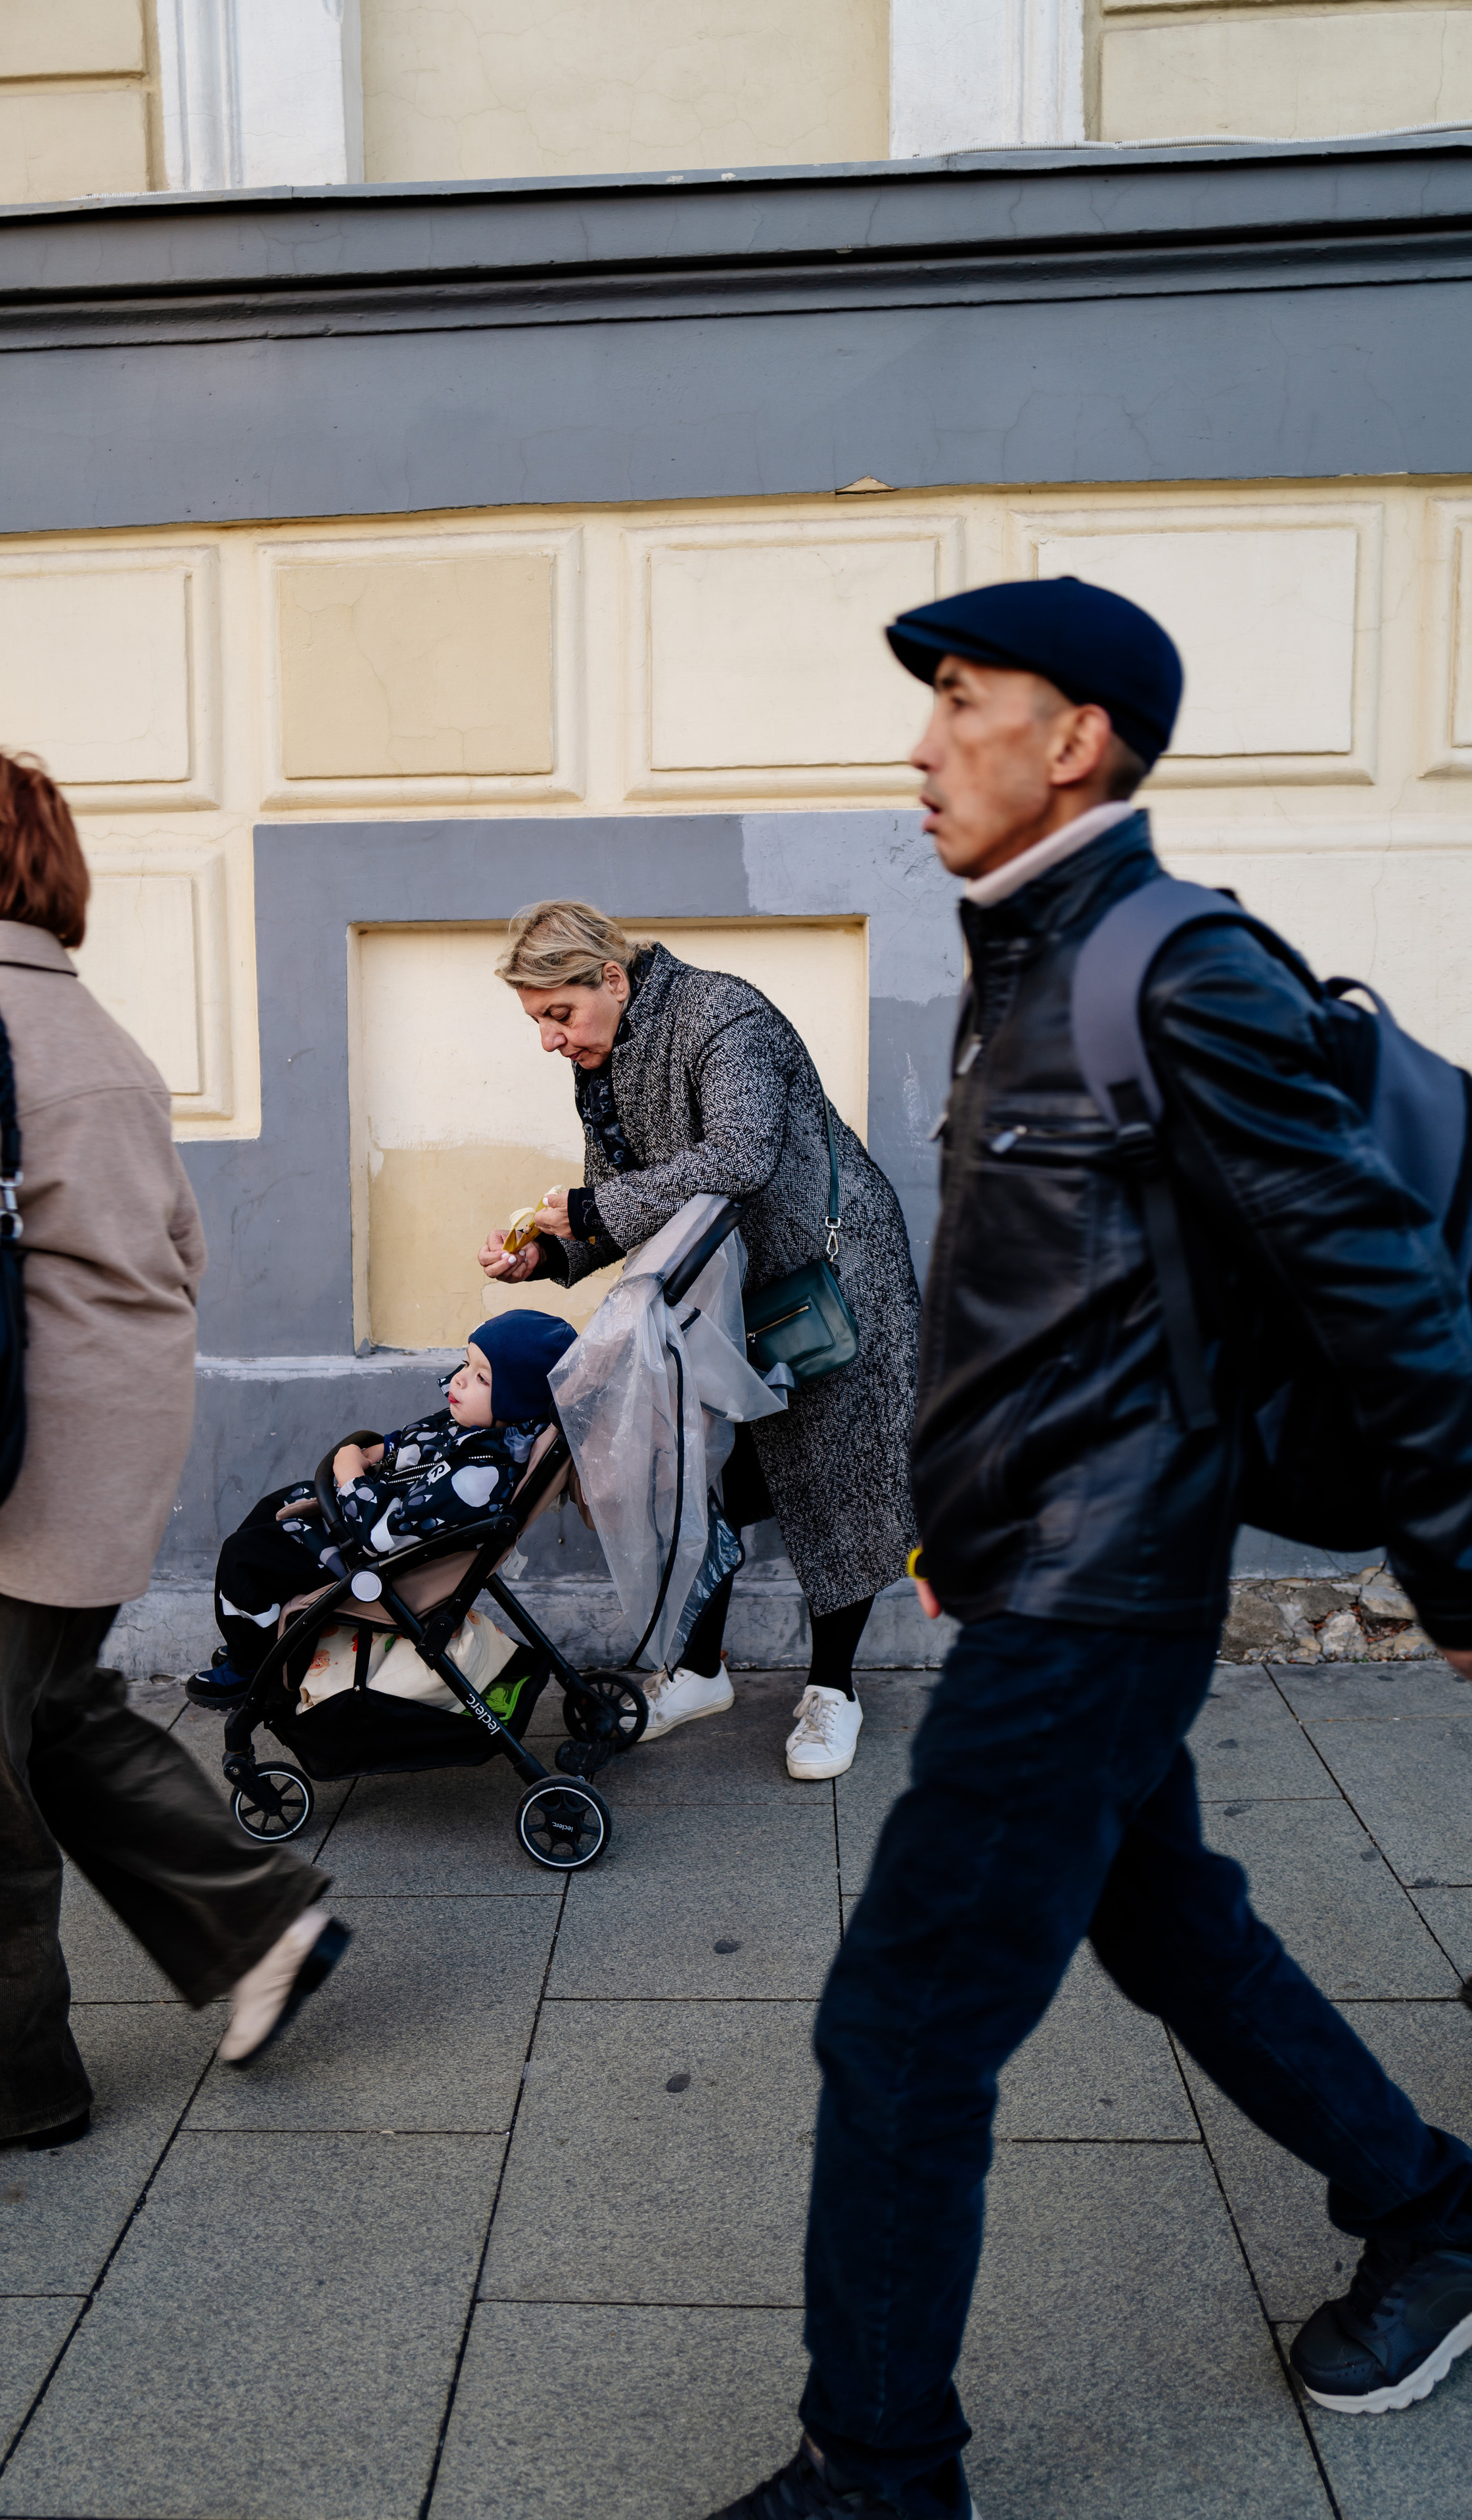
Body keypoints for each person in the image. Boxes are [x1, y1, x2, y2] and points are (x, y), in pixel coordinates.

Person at [710, 579, 1472, 2520]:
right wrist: (956, 1516)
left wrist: (1459, 1571)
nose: (919, 738)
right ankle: (1432, 2214)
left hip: (1102, 1596)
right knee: (1172, 1925)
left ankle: (876, 2477)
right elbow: (1052, 1303)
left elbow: (1385, 1290)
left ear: (1075, 741)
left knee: (897, 2023)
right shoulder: (1027, 955)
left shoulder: (1174, 965)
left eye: (960, 697)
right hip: (1047, 1565)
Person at [0, 750, 347, 2168]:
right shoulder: (95, 1029)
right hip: (107, 1437)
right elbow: (181, 1247)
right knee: (54, 1716)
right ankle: (258, 1921)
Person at [479, 904, 920, 1782]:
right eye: (536, 1021)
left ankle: (834, 1690)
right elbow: (626, 1197)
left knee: (840, 1479)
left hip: (832, 1281)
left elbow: (740, 1156)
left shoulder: (723, 1013)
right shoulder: (601, 1062)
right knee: (697, 1469)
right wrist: (551, 1254)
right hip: (725, 1294)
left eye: (557, 1014)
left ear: (611, 977)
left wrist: (597, 1209)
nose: (549, 1041)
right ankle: (700, 1671)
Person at [187, 1310, 575, 1706]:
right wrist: (378, 1452)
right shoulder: (477, 1428)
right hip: (367, 1519)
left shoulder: (480, 1477)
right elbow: (418, 1443)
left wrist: (349, 1472)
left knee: (242, 1557)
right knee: (275, 1508)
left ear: (520, 1400)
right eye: (466, 1362)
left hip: (376, 1559)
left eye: (482, 1377)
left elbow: (380, 1537)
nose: (459, 1378)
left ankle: (252, 1664)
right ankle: (256, 1637)